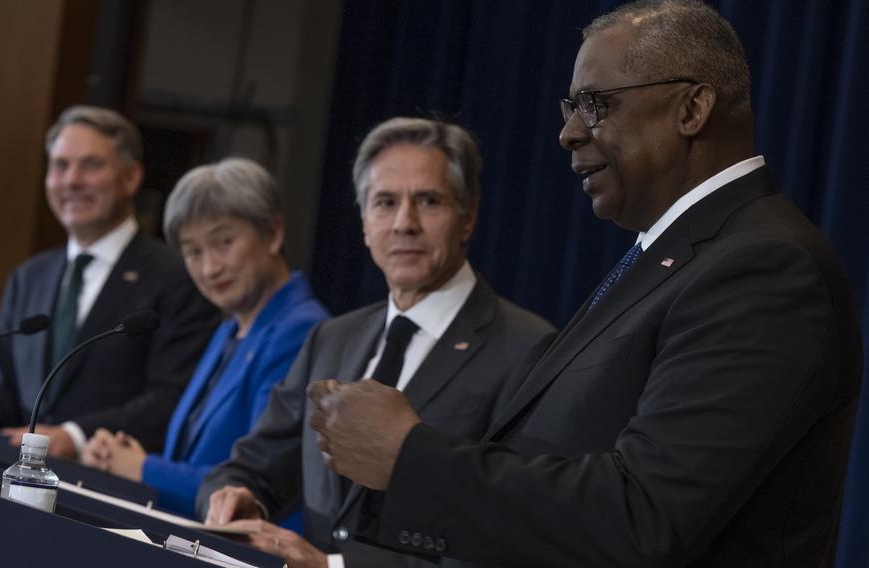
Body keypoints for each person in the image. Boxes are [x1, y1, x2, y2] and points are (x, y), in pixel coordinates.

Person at [307, 1, 864, 566]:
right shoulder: (670, 255)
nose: (568, 134)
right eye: (570, 108)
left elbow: (644, 515)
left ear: (692, 108)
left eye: (595, 105)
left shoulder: (765, 269)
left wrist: (409, 456)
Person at [197, 117, 556, 567]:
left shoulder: (527, 348)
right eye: (385, 202)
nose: (405, 224)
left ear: (467, 217)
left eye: (428, 201)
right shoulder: (332, 338)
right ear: (365, 222)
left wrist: (334, 567)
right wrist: (239, 497)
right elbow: (254, 464)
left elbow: (510, 535)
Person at [0, 105, 219, 459]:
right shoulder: (28, 277)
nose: (72, 180)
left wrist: (74, 436)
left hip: (105, 489)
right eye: (61, 165)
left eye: (91, 165)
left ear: (130, 178)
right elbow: (8, 392)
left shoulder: (176, 276)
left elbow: (173, 397)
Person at [79, 158, 328, 521]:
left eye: (223, 242)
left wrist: (142, 468)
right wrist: (124, 457)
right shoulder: (230, 327)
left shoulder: (302, 330)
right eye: (193, 252)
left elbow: (256, 485)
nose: (210, 267)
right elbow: (197, 458)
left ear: (273, 234)